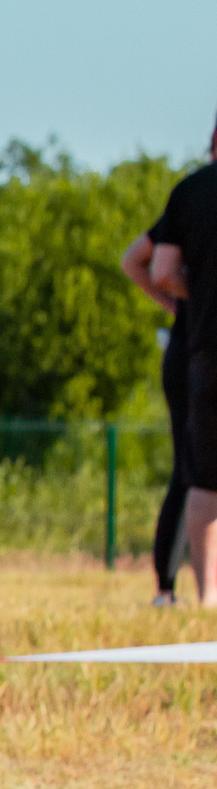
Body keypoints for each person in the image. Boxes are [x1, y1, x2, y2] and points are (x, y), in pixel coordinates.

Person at [146, 114, 217, 604]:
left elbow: (155, 266)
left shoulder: (190, 191)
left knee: (201, 477)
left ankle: (206, 596)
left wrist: (191, 301)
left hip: (207, 348)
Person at [122, 223, 191, 603]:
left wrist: (181, 305)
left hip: (185, 347)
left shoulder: (189, 197)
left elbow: (139, 262)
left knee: (189, 475)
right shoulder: (195, 198)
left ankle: (170, 589)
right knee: (193, 476)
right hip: (193, 348)